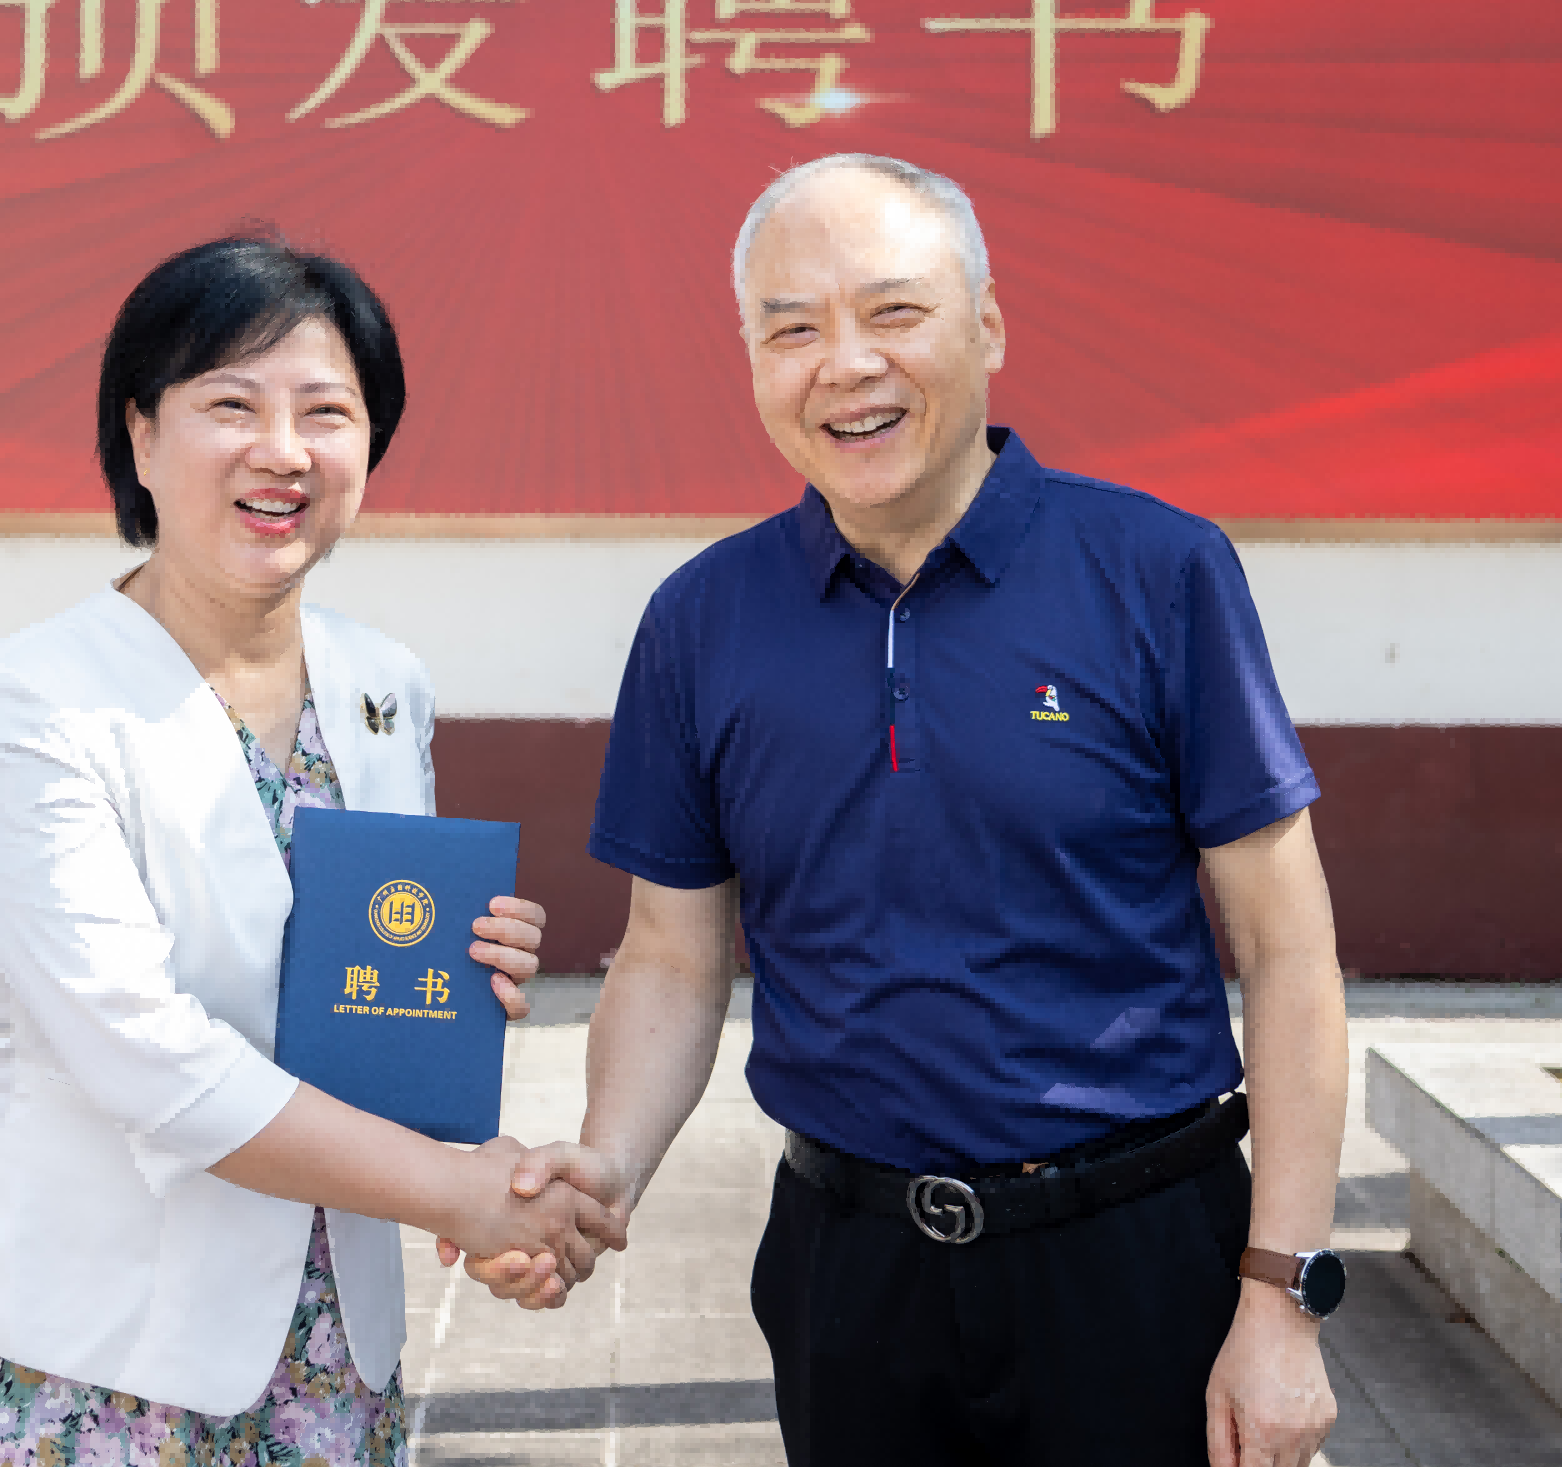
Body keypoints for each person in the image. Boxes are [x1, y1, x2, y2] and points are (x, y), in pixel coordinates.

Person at [455, 155, 1349, 1467]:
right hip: (850, 1273)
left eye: (894, 313)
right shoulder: (702, 622)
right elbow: (672, 957)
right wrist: (606, 1173)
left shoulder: (1159, 573)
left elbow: (1287, 951)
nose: (846, 365)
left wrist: (1282, 1298)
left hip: (1138, 1260)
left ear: (987, 326)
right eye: (793, 329)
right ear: (753, 361)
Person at [0, 233, 625, 1467]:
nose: (283, 451)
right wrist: (464, 1196)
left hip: (331, 1363)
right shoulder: (36, 701)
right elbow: (147, 1058)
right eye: (231, 406)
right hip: (88, 1367)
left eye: (327, 413)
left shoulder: (384, 684)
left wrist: (455, 986)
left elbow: (357, 1012)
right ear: (140, 437)